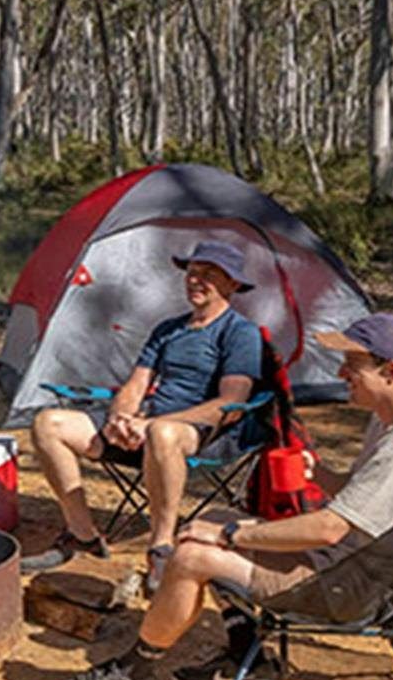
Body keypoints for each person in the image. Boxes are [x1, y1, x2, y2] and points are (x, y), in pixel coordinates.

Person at [44, 313, 393, 680]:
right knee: (212, 520)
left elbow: (331, 528)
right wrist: (321, 473)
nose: (341, 373)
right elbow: (361, 497)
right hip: (355, 562)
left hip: (344, 585)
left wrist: (231, 539)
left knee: (193, 554)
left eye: (353, 365)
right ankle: (251, 660)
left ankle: (135, 672)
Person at [24, 239, 265, 589]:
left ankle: (161, 547)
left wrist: (150, 424)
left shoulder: (239, 333)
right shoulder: (169, 329)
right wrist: (119, 419)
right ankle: (82, 534)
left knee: (162, 434)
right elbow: (135, 385)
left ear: (233, 284)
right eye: (192, 272)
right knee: (49, 424)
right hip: (145, 428)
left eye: (208, 275)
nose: (195, 280)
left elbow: (229, 403)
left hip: (202, 435)